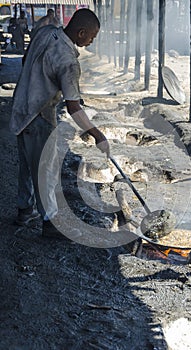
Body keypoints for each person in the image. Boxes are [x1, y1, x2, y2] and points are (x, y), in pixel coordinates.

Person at [10, 9, 110, 239]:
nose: (92, 41)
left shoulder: (45, 32)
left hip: (21, 106)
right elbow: (73, 107)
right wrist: (97, 135)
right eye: (91, 36)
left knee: (27, 164)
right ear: (81, 32)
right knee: (46, 170)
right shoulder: (68, 60)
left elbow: (27, 59)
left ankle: (25, 210)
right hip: (39, 114)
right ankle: (50, 223)